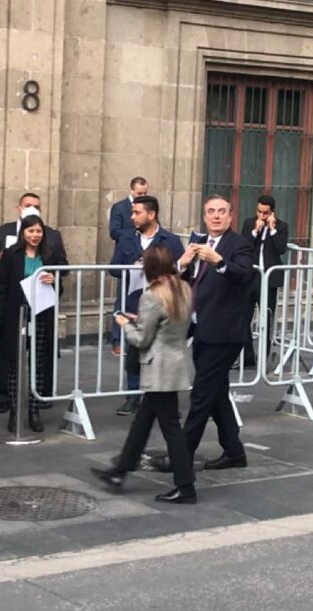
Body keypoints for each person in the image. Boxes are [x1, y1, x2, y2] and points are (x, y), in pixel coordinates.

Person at [150, 194, 254, 474]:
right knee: (217, 393)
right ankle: (234, 451)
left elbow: (244, 275)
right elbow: (181, 281)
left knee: (201, 395)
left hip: (226, 332)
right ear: (205, 216)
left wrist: (219, 261)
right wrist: (182, 263)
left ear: (231, 216)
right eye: (211, 212)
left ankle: (180, 457)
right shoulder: (198, 244)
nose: (217, 216)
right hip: (201, 328)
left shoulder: (239, 244)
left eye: (222, 211)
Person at [92, 245, 196, 504]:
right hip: (174, 363)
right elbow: (166, 323)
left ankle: (186, 486)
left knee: (171, 428)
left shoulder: (152, 295)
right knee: (143, 422)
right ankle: (119, 471)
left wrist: (125, 324)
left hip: (157, 366)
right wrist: (140, 319)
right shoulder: (182, 288)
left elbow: (141, 338)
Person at [0, 192, 67, 415]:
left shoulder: (52, 237)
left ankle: (40, 398)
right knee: (9, 355)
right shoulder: (3, 233)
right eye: (28, 205)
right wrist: (3, 257)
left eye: (37, 206)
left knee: (40, 354)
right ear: (19, 208)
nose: (33, 209)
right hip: (13, 308)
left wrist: (54, 276)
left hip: (41, 308)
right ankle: (4, 398)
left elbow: (62, 266)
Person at [109, 195, 184, 417]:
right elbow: (112, 267)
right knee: (134, 353)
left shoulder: (169, 240)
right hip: (134, 302)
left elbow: (180, 271)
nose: (132, 217)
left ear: (151, 214)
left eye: (137, 212)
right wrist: (130, 268)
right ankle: (133, 397)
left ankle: (166, 401)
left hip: (161, 304)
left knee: (162, 352)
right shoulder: (126, 239)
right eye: (132, 212)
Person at [241, 194, 289, 365]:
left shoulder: (281, 227)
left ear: (272, 212)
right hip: (251, 276)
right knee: (244, 316)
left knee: (266, 318)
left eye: (265, 213)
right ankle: (247, 357)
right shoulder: (249, 223)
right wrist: (255, 231)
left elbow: (281, 249)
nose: (261, 215)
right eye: (259, 211)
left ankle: (264, 356)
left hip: (268, 279)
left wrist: (272, 228)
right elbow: (244, 246)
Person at [108, 177, 149, 355]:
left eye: (145, 193)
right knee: (121, 300)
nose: (142, 196)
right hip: (126, 258)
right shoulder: (119, 207)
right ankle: (117, 340)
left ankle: (139, 337)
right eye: (140, 193)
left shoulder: (148, 208)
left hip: (144, 260)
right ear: (131, 191)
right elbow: (114, 231)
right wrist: (134, 231)